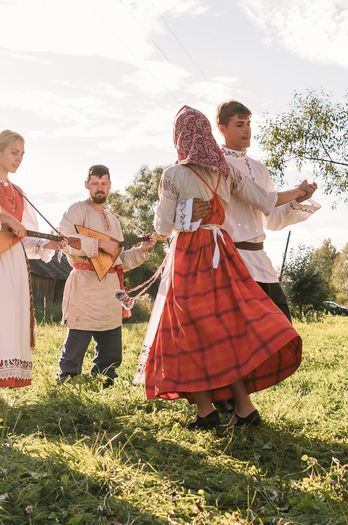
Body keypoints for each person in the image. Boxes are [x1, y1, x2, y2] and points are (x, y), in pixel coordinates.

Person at [136, 106, 308, 429]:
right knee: (225, 331)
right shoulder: (226, 171)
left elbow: (162, 226)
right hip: (224, 253)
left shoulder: (172, 176)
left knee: (189, 332)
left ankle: (206, 411)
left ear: (180, 138)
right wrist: (297, 193)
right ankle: (244, 407)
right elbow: (265, 201)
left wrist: (185, 213)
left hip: (190, 255)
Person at [0, 130, 65, 409]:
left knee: (8, 322)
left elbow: (25, 236)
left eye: (22, 154)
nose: (18, 159)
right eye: (13, 152)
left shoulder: (19, 193)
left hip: (15, 263)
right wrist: (2, 216)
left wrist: (49, 245)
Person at [216, 100, 319, 320]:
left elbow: (271, 219)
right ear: (222, 129)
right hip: (231, 262)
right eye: (239, 124)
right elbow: (265, 200)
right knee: (244, 337)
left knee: (282, 328)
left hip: (260, 260)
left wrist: (296, 200)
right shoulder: (216, 165)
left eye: (249, 124)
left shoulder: (259, 169)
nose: (247, 130)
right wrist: (294, 192)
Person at [57, 165, 155, 386]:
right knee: (77, 338)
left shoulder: (113, 219)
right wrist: (98, 243)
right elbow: (64, 239)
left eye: (103, 184)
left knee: (111, 341)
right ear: (87, 185)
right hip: (85, 285)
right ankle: (67, 380)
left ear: (109, 186)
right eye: (95, 183)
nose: (99, 188)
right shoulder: (77, 210)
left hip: (110, 288)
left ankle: (105, 379)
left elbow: (118, 260)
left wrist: (143, 250)